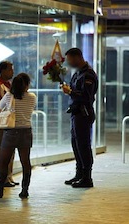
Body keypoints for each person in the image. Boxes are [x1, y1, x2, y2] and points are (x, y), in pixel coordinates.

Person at [0, 73, 36, 199]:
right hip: (26, 131)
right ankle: (25, 190)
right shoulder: (32, 97)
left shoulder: (9, 96)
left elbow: (0, 106)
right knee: (25, 161)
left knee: (3, 162)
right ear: (26, 85)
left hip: (11, 132)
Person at [62, 48, 98, 188]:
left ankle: (87, 177)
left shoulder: (88, 75)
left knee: (83, 146)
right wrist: (69, 89)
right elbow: (74, 90)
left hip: (83, 113)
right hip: (75, 113)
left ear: (77, 57)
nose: (69, 63)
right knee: (76, 145)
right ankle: (80, 174)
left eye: (70, 59)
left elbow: (86, 97)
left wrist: (70, 91)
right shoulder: (78, 73)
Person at [0, 61, 18, 187]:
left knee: (11, 151)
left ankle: (9, 176)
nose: (12, 72)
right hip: (2, 122)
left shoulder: (9, 84)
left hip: (12, 122)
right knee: (3, 151)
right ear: (2, 71)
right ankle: (2, 178)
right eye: (10, 70)